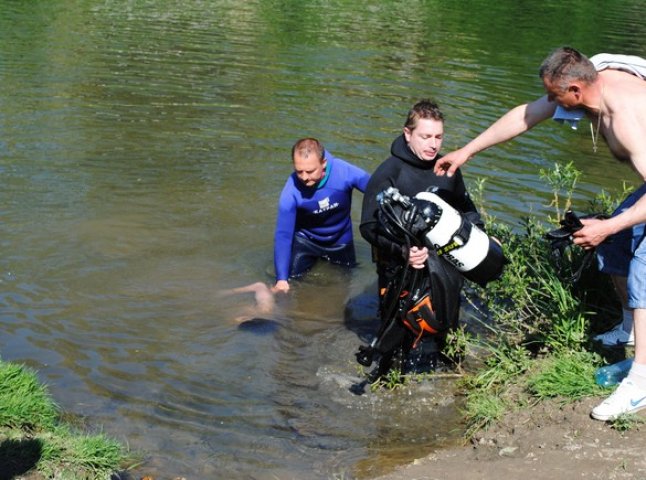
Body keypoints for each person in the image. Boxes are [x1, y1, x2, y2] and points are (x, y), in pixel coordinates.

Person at [433, 47, 646, 421]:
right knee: (616, 246)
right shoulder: (591, 75)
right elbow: (526, 115)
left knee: (642, 268)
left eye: (555, 96)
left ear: (576, 91)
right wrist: (467, 151)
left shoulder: (625, 118)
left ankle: (641, 383)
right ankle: (630, 331)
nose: (550, 102)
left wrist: (609, 226)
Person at [359, 99, 484, 376]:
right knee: (395, 342)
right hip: (400, 267)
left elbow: (468, 211)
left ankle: (454, 379)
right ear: (407, 134)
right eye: (425, 136)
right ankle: (390, 386)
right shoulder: (390, 172)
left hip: (443, 262)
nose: (433, 144)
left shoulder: (447, 168)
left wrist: (481, 238)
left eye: (438, 137)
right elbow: (368, 227)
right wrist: (403, 252)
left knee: (447, 327)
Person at [273, 138, 370, 293]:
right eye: (299, 171)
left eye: (310, 171)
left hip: (340, 240)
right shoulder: (290, 192)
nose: (304, 177)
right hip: (305, 241)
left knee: (346, 284)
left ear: (323, 163)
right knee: (290, 285)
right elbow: (283, 235)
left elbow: (377, 190)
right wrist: (281, 279)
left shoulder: (344, 172)